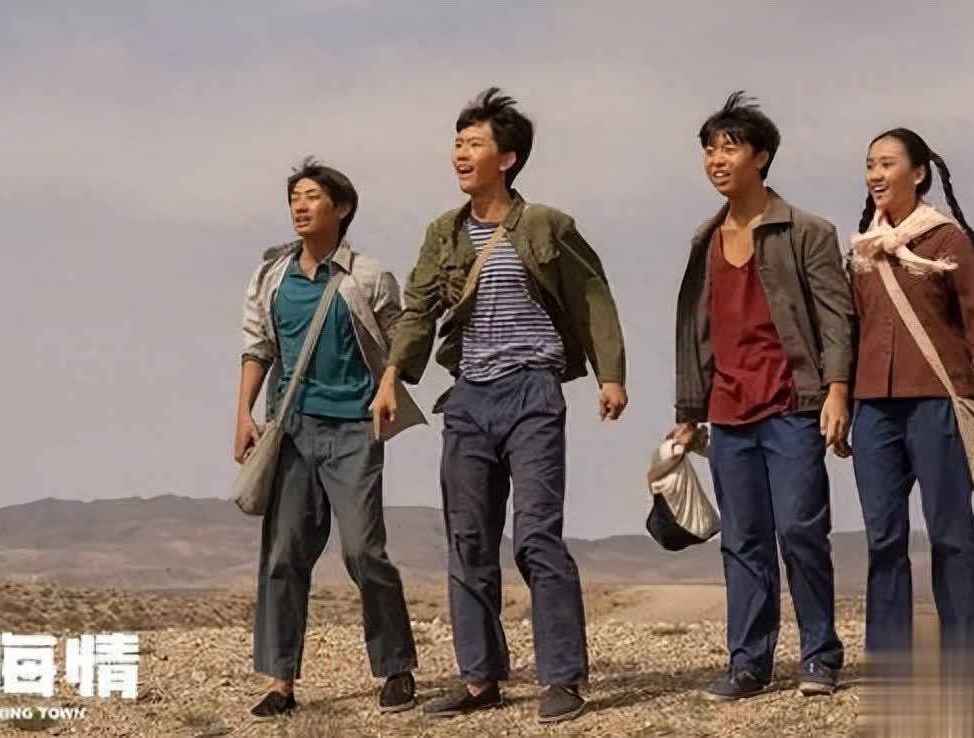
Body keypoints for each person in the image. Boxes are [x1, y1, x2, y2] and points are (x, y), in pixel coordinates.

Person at [372, 88, 628, 725]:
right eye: (457, 143)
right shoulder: (443, 233)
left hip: (532, 390)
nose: (461, 154)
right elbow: (419, 309)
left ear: (507, 158)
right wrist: (393, 377)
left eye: (475, 143)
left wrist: (610, 375)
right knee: (468, 540)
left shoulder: (545, 225)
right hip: (468, 398)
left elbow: (592, 295)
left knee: (537, 536)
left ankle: (562, 677)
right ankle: (480, 676)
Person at [672, 92, 853, 700]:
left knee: (801, 530)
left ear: (762, 156)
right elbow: (697, 330)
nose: (715, 160)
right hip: (728, 413)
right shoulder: (704, 240)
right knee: (743, 540)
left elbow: (836, 319)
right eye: (708, 149)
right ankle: (748, 663)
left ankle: (819, 656)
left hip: (792, 406)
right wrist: (690, 413)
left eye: (729, 148)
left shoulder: (807, 231)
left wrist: (837, 392)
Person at [235, 158, 424, 718]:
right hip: (291, 431)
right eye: (295, 196)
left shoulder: (368, 276)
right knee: (282, 555)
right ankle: (280, 682)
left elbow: (401, 342)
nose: (300, 205)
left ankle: (395, 666)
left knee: (364, 551)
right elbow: (258, 345)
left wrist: (387, 389)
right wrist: (244, 414)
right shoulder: (271, 277)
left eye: (312, 196)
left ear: (341, 208)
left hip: (354, 432)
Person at [846, 128, 974, 662]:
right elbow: (850, 331)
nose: (875, 174)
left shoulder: (946, 241)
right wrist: (839, 403)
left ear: (918, 173)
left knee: (950, 532)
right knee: (882, 536)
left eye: (887, 163)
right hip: (873, 407)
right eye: (870, 165)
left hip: (938, 403)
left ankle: (965, 659)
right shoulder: (862, 249)